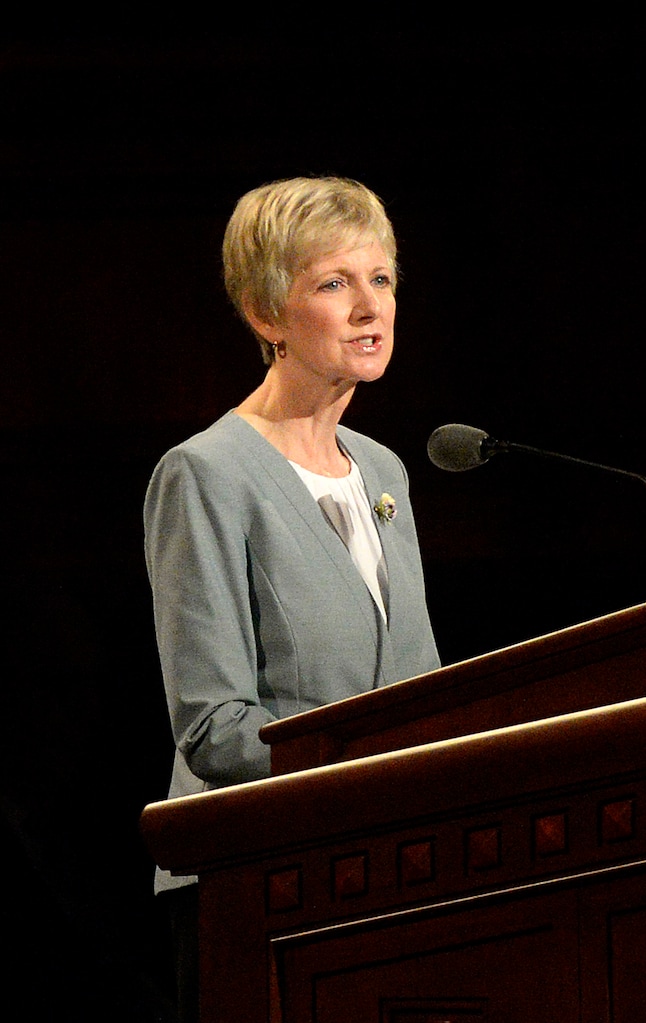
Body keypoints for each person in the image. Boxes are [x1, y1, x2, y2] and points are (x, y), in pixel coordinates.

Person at [143, 175, 440, 1020]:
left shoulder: (384, 472)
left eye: (379, 280)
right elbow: (213, 729)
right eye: (332, 283)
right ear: (267, 315)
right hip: (252, 877)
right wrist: (375, 772)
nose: (368, 307)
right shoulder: (205, 474)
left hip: (388, 865)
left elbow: (417, 686)